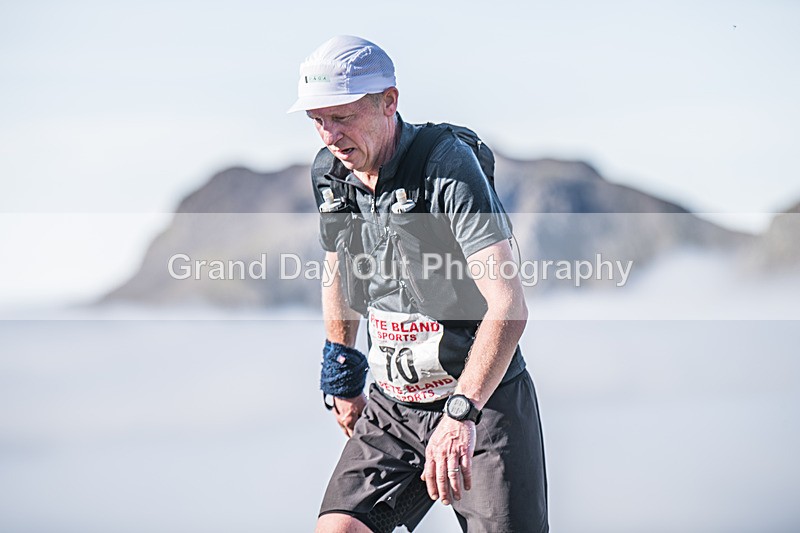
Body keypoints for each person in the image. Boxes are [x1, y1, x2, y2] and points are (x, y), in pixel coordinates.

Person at [288, 35, 548, 533]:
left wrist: (461, 413)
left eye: (342, 117)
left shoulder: (446, 165)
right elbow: (339, 269)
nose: (328, 135)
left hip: (481, 403)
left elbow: (509, 307)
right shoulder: (331, 174)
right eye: (316, 120)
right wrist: (341, 373)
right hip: (394, 406)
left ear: (390, 102)